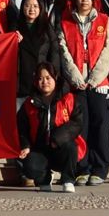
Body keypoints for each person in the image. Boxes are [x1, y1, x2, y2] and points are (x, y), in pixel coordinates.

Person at [58, 0, 109, 186]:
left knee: (100, 126)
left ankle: (100, 168)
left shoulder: (104, 20)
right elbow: (64, 52)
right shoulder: (65, 22)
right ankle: (82, 168)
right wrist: (77, 78)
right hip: (77, 84)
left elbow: (108, 51)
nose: (84, 0)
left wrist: (94, 79)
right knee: (81, 127)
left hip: (99, 83)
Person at [16, 63, 81, 192]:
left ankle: (68, 180)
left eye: (48, 78)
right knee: (29, 165)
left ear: (55, 78)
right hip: (39, 148)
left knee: (71, 147)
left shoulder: (68, 98)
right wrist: (26, 145)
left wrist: (57, 139)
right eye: (40, 78)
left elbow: (77, 123)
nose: (44, 82)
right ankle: (44, 179)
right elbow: (21, 127)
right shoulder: (29, 103)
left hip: (60, 147)